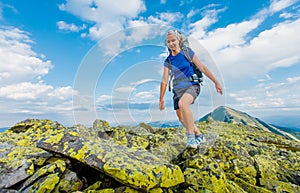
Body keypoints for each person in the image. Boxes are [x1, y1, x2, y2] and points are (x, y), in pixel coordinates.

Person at [159, 29, 223, 149]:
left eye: (173, 40)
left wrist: (216, 82)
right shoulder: (168, 61)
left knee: (183, 104)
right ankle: (199, 135)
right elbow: (164, 80)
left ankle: (191, 140)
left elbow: (202, 68)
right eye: (168, 42)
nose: (171, 43)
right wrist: (161, 98)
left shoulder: (187, 52)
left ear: (179, 40)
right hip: (177, 89)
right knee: (181, 117)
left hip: (192, 85)